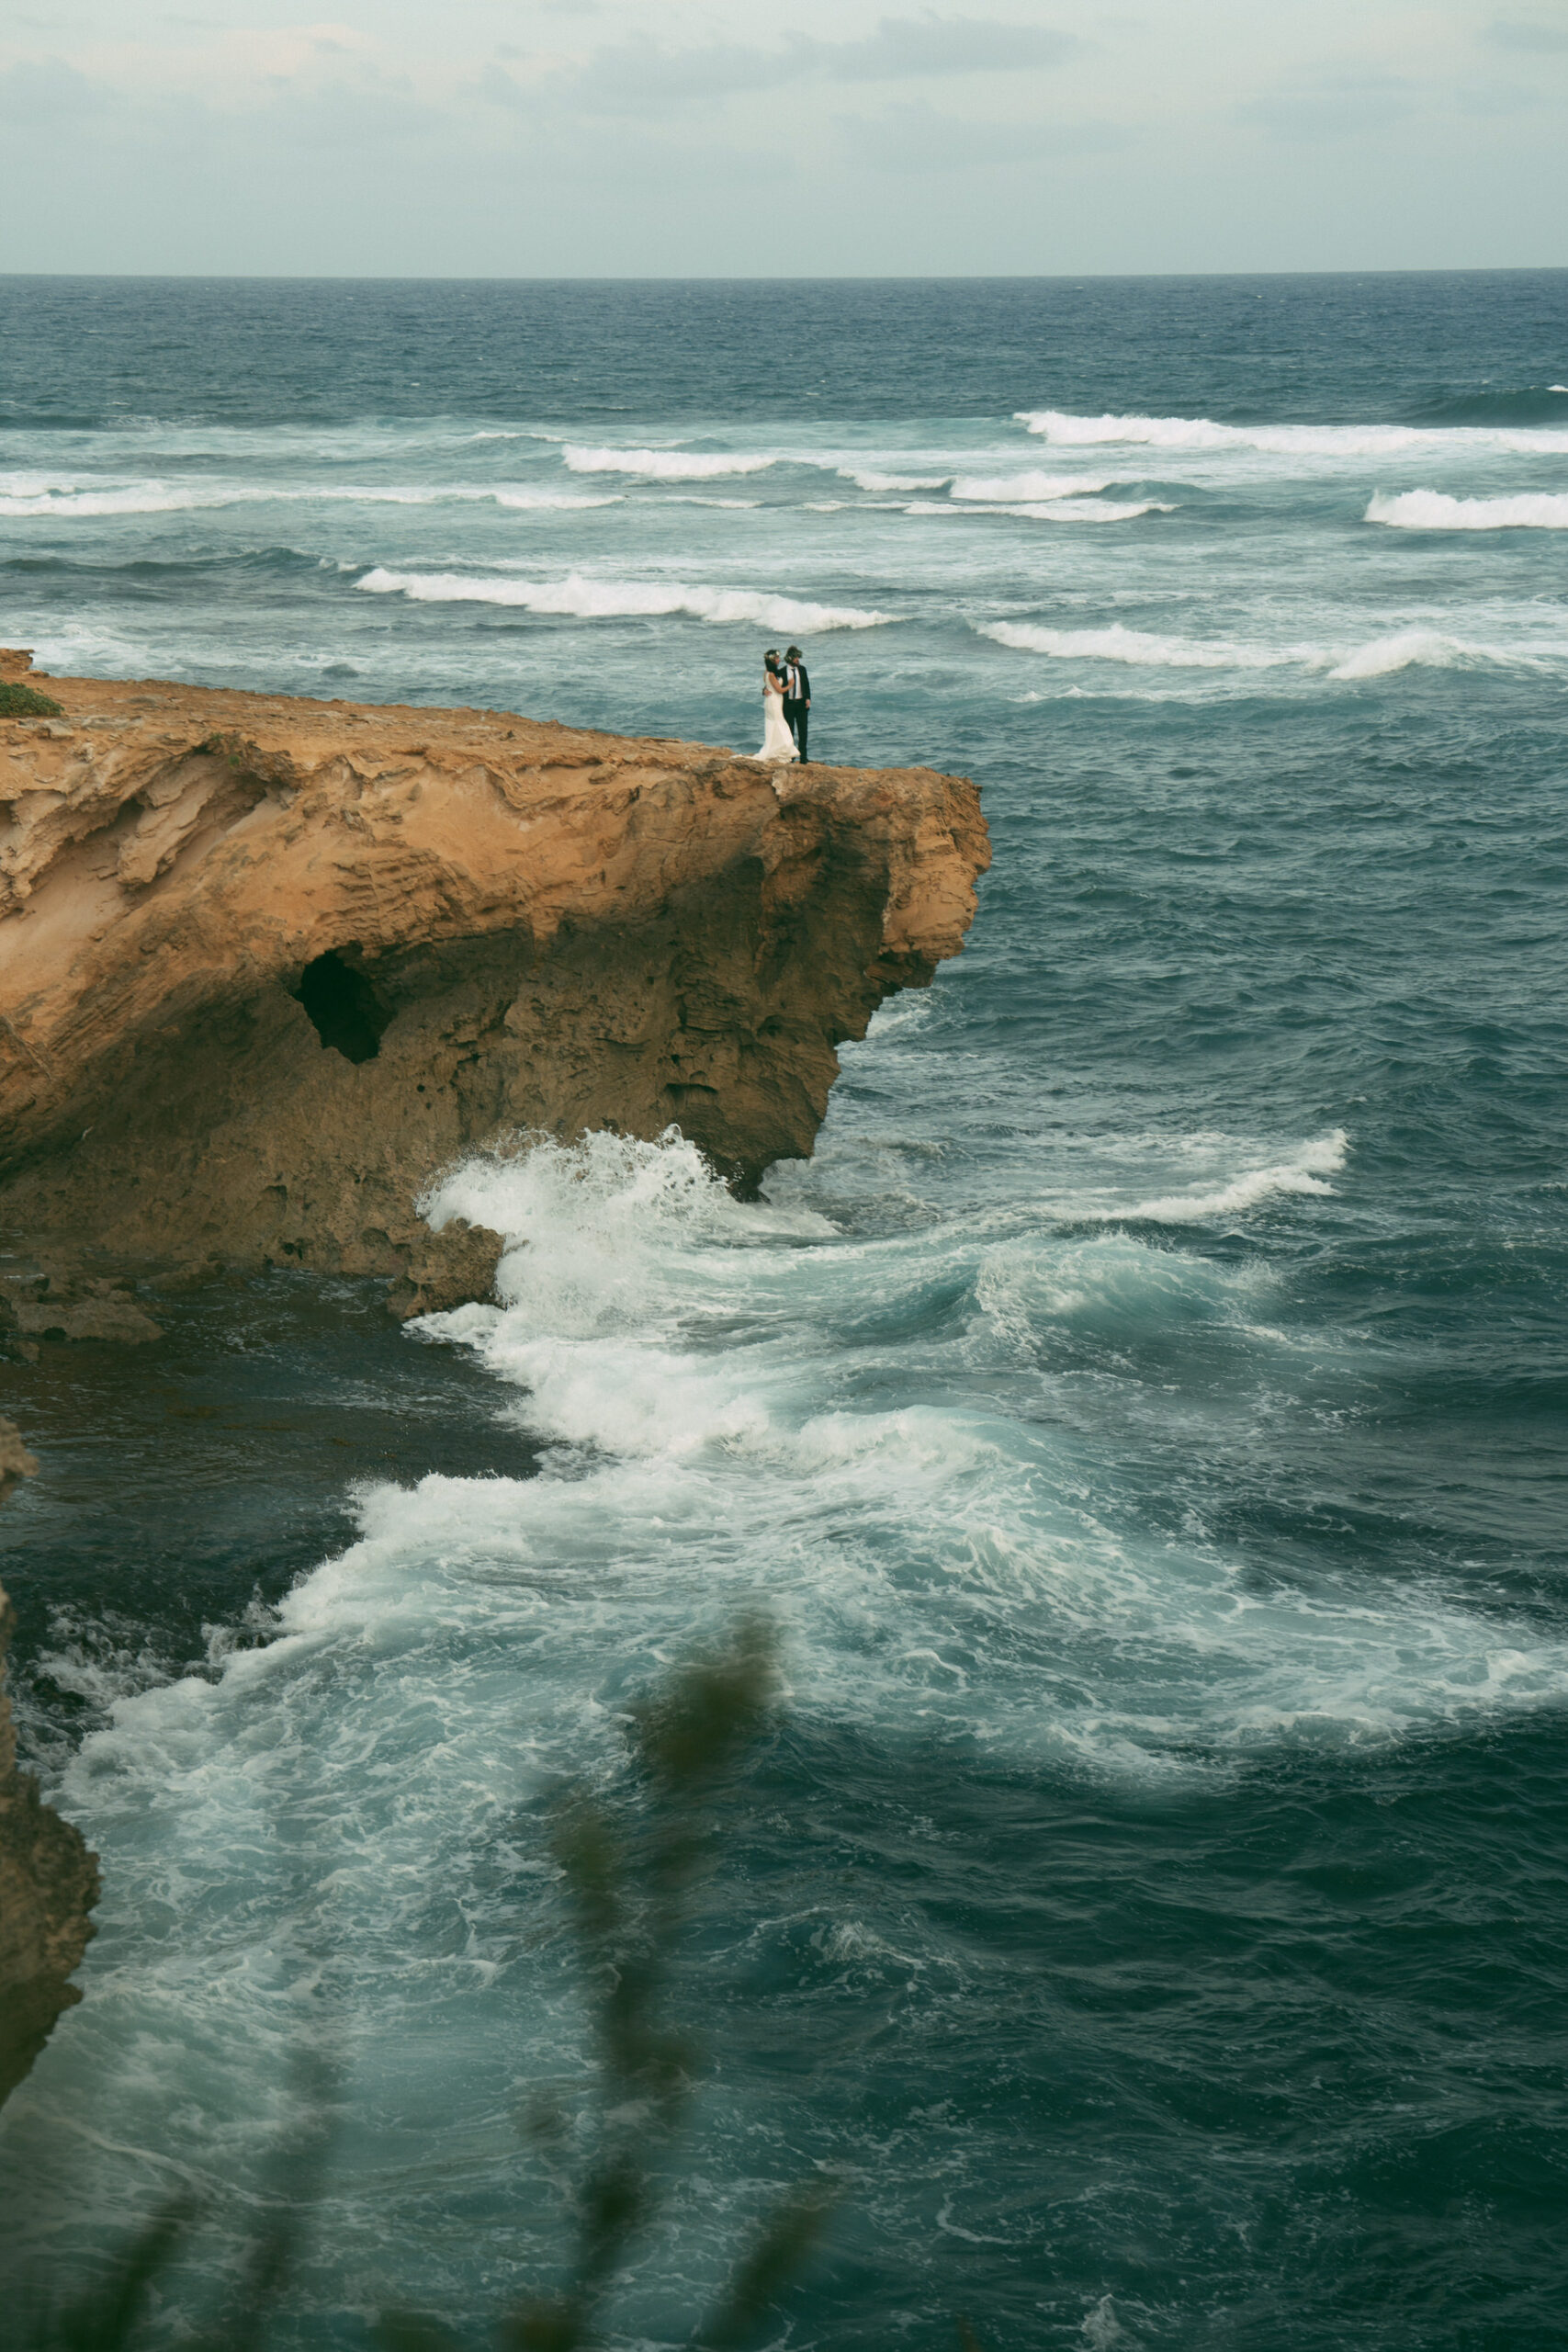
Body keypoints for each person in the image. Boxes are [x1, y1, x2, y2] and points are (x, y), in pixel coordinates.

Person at [752, 650, 799, 763]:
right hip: (774, 702)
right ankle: (782, 748)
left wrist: (764, 690)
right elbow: (779, 690)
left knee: (774, 724)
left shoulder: (768, 672)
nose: (779, 660)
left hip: (772, 701)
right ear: (772, 661)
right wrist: (790, 685)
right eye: (777, 658)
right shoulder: (772, 674)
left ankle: (776, 749)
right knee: (778, 723)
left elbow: (768, 685)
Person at [782, 645, 811, 762]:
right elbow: (773, 683)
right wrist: (765, 690)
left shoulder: (802, 669)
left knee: (803, 731)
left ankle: (803, 757)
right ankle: (791, 757)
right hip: (788, 705)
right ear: (789, 659)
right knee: (789, 732)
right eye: (795, 658)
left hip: (801, 704)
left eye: (798, 658)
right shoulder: (783, 671)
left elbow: (807, 685)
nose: (797, 660)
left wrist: (808, 698)